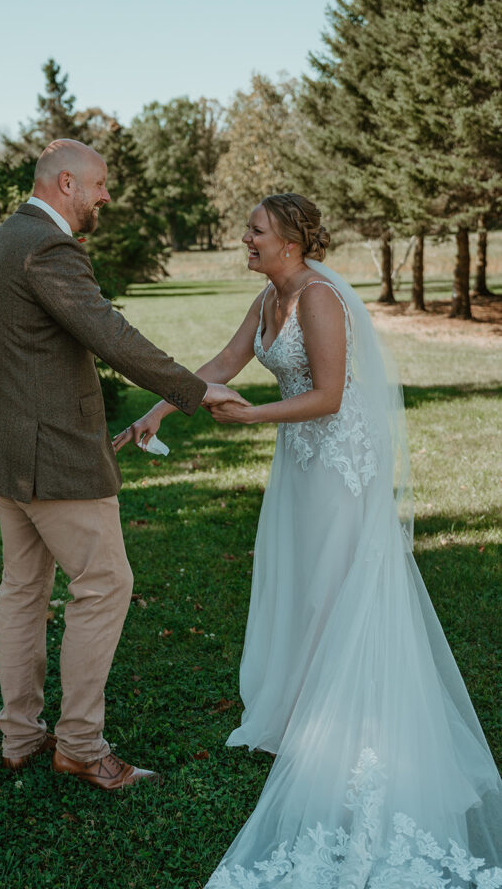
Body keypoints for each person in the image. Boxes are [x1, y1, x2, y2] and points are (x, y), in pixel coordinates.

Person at [114, 193, 502, 884]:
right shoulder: (269, 297)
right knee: (301, 585)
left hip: (338, 467)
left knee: (333, 588)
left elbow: (327, 395)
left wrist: (251, 417)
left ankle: (344, 731)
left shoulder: (320, 298)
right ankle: (306, 715)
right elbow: (221, 365)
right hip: (300, 464)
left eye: (255, 230)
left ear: (291, 240)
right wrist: (156, 409)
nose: (244, 238)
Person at [0, 138, 244, 791]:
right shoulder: (48, 246)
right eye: (100, 186)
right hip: (53, 456)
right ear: (65, 183)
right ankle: (81, 747)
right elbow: (109, 334)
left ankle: (19, 736)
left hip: (7, 452)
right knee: (104, 585)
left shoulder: (3, 238)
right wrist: (195, 390)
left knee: (23, 594)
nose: (106, 197)